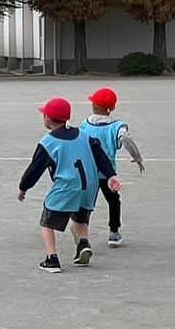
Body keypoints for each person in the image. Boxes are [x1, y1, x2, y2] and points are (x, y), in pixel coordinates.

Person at [17, 97, 121, 273]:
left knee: (47, 222)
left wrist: (23, 188)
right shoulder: (84, 135)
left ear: (48, 119)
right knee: (80, 217)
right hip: (89, 186)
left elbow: (34, 169)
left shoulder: (48, 142)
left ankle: (52, 259)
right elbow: (101, 156)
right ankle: (83, 244)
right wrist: (110, 175)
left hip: (67, 186)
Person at [79, 87, 145, 247]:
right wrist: (137, 157)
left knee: (86, 204)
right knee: (114, 201)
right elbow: (126, 140)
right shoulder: (117, 126)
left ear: (93, 105)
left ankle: (82, 235)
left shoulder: (85, 124)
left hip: (88, 172)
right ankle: (114, 233)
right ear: (112, 108)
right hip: (108, 174)